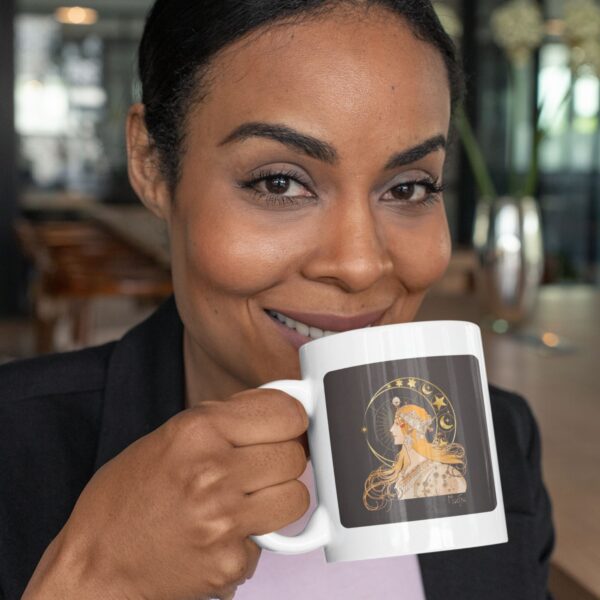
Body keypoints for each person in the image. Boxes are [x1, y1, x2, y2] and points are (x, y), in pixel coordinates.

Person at [0, 1, 554, 599]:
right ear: (151, 164)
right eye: (279, 182)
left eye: (409, 187)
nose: (359, 264)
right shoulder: (14, 446)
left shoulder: (498, 437)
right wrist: (98, 579)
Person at [364, 402, 467, 509]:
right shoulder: (403, 472)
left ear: (410, 429)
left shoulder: (443, 474)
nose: (391, 429)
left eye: (396, 424)